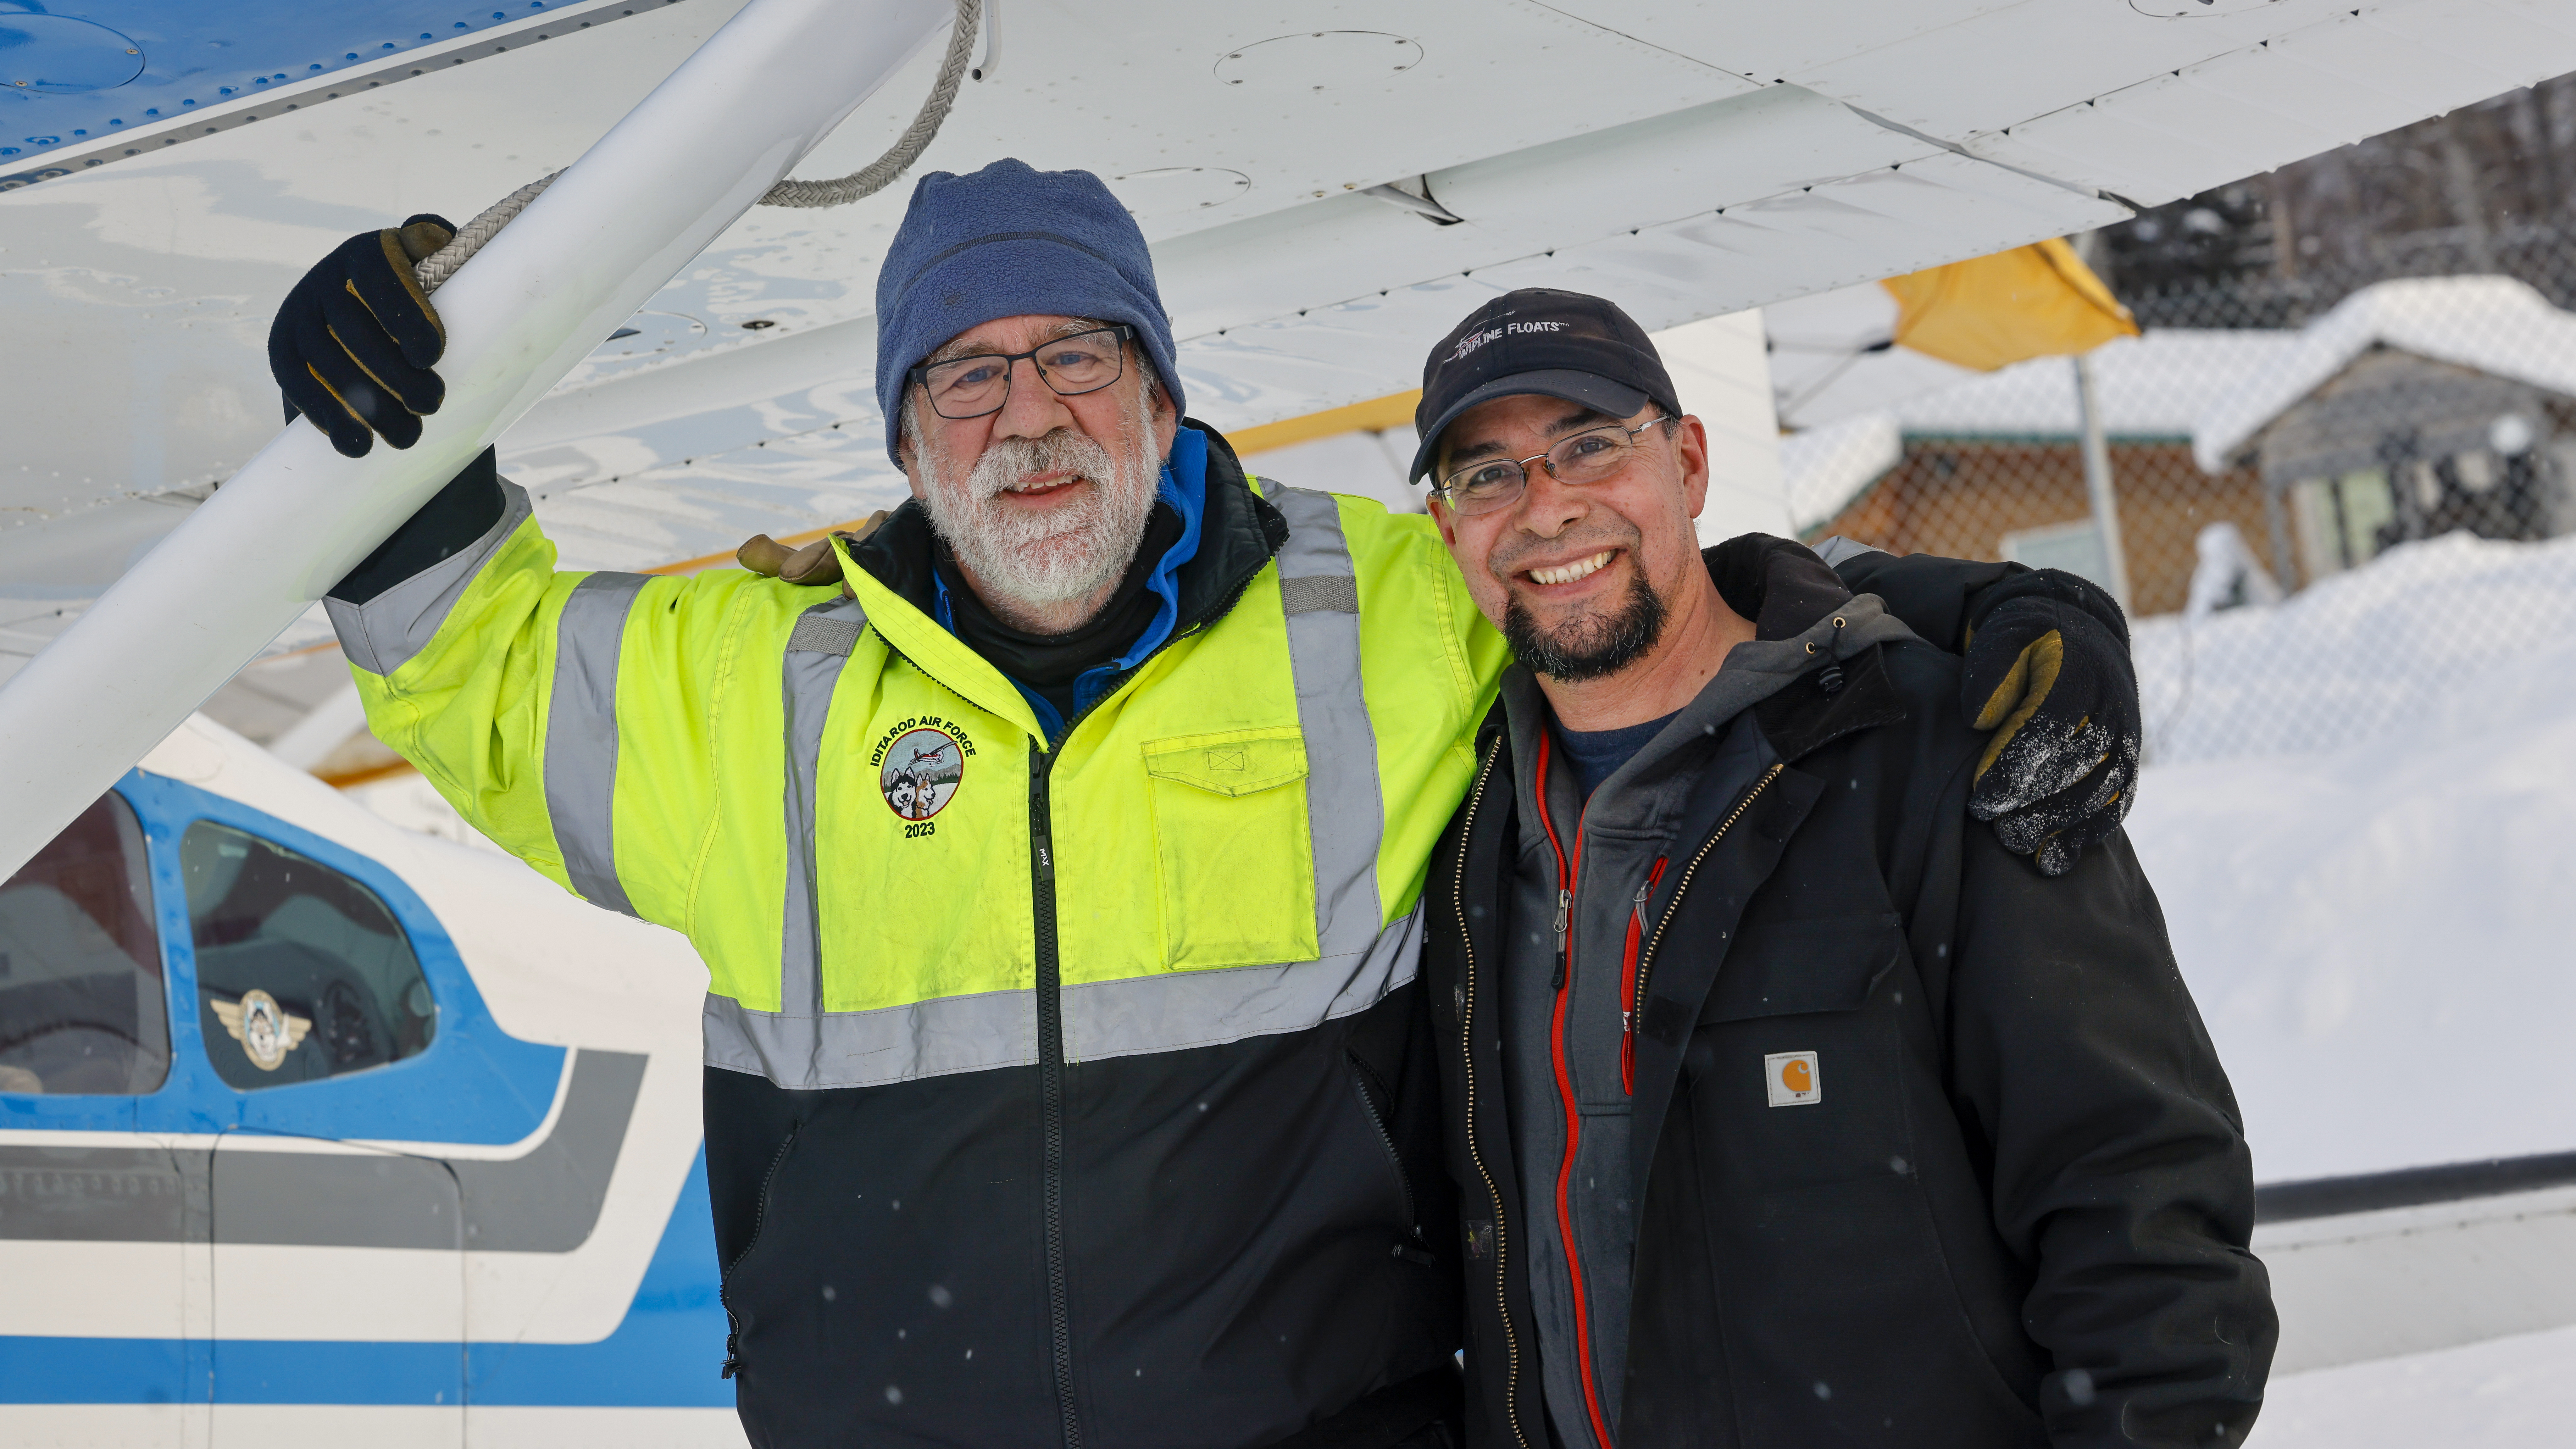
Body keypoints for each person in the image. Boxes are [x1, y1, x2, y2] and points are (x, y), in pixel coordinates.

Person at [270, 159, 2146, 1448]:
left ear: (1167, 400)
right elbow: (480, 670)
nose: (1032, 415)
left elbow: (1623, 584)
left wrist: (1982, 613)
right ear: (902, 438)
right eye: (971, 374)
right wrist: (386, 427)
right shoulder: (748, 689)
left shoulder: (1376, 610)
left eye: (1080, 357)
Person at [1406, 290, 2276, 1449]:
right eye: (1488, 474)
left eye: (1589, 444)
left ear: (1690, 461)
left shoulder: (1928, 752)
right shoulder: (1463, 830)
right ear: (1448, 528)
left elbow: (2141, 1204)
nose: (1547, 506)